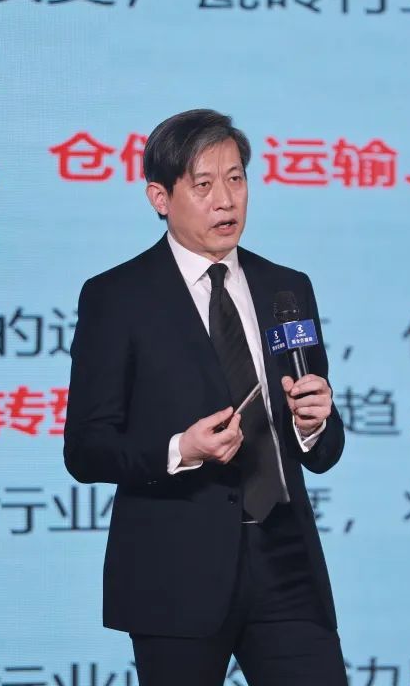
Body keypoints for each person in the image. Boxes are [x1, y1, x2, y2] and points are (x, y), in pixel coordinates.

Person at [63, 108, 348, 686]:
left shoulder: (286, 288)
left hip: (286, 561)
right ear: (159, 197)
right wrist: (180, 450)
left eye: (236, 179)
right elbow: (86, 448)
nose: (226, 200)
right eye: (204, 184)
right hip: (176, 570)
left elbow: (322, 449)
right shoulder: (118, 297)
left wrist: (314, 424)